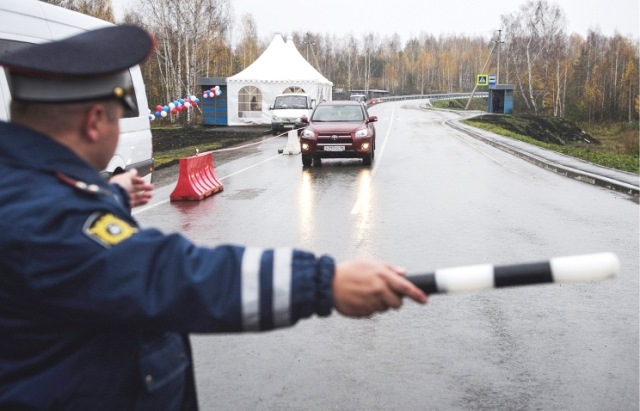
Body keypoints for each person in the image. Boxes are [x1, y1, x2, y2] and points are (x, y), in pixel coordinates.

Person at [0, 25, 427, 409]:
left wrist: (109, 195)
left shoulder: (25, 184)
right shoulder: (44, 216)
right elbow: (173, 275)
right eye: (117, 116)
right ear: (95, 122)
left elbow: (72, 238)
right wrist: (324, 283)